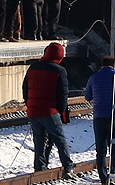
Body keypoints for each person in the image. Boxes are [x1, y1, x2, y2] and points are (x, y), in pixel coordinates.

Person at [24, 42, 74, 174]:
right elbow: (63, 94)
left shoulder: (33, 67)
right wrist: (61, 110)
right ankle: (68, 165)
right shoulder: (59, 71)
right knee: (60, 138)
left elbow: (25, 88)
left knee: (39, 140)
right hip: (50, 110)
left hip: (33, 110)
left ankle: (40, 167)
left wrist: (29, 104)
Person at [83, 56, 115, 185]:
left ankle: (104, 178)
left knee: (101, 150)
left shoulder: (94, 78)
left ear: (102, 65)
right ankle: (113, 175)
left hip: (99, 118)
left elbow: (87, 96)